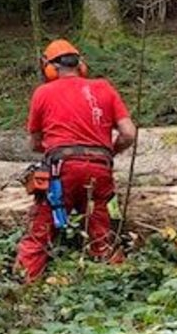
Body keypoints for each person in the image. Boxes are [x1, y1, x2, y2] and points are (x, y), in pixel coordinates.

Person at [15, 38, 138, 282]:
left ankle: (24, 286)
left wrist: (56, 148)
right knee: (102, 234)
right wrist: (108, 153)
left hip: (62, 171)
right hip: (100, 171)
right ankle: (115, 284)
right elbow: (129, 133)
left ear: (49, 67)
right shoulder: (104, 88)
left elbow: (35, 142)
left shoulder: (43, 93)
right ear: (80, 64)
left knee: (39, 233)